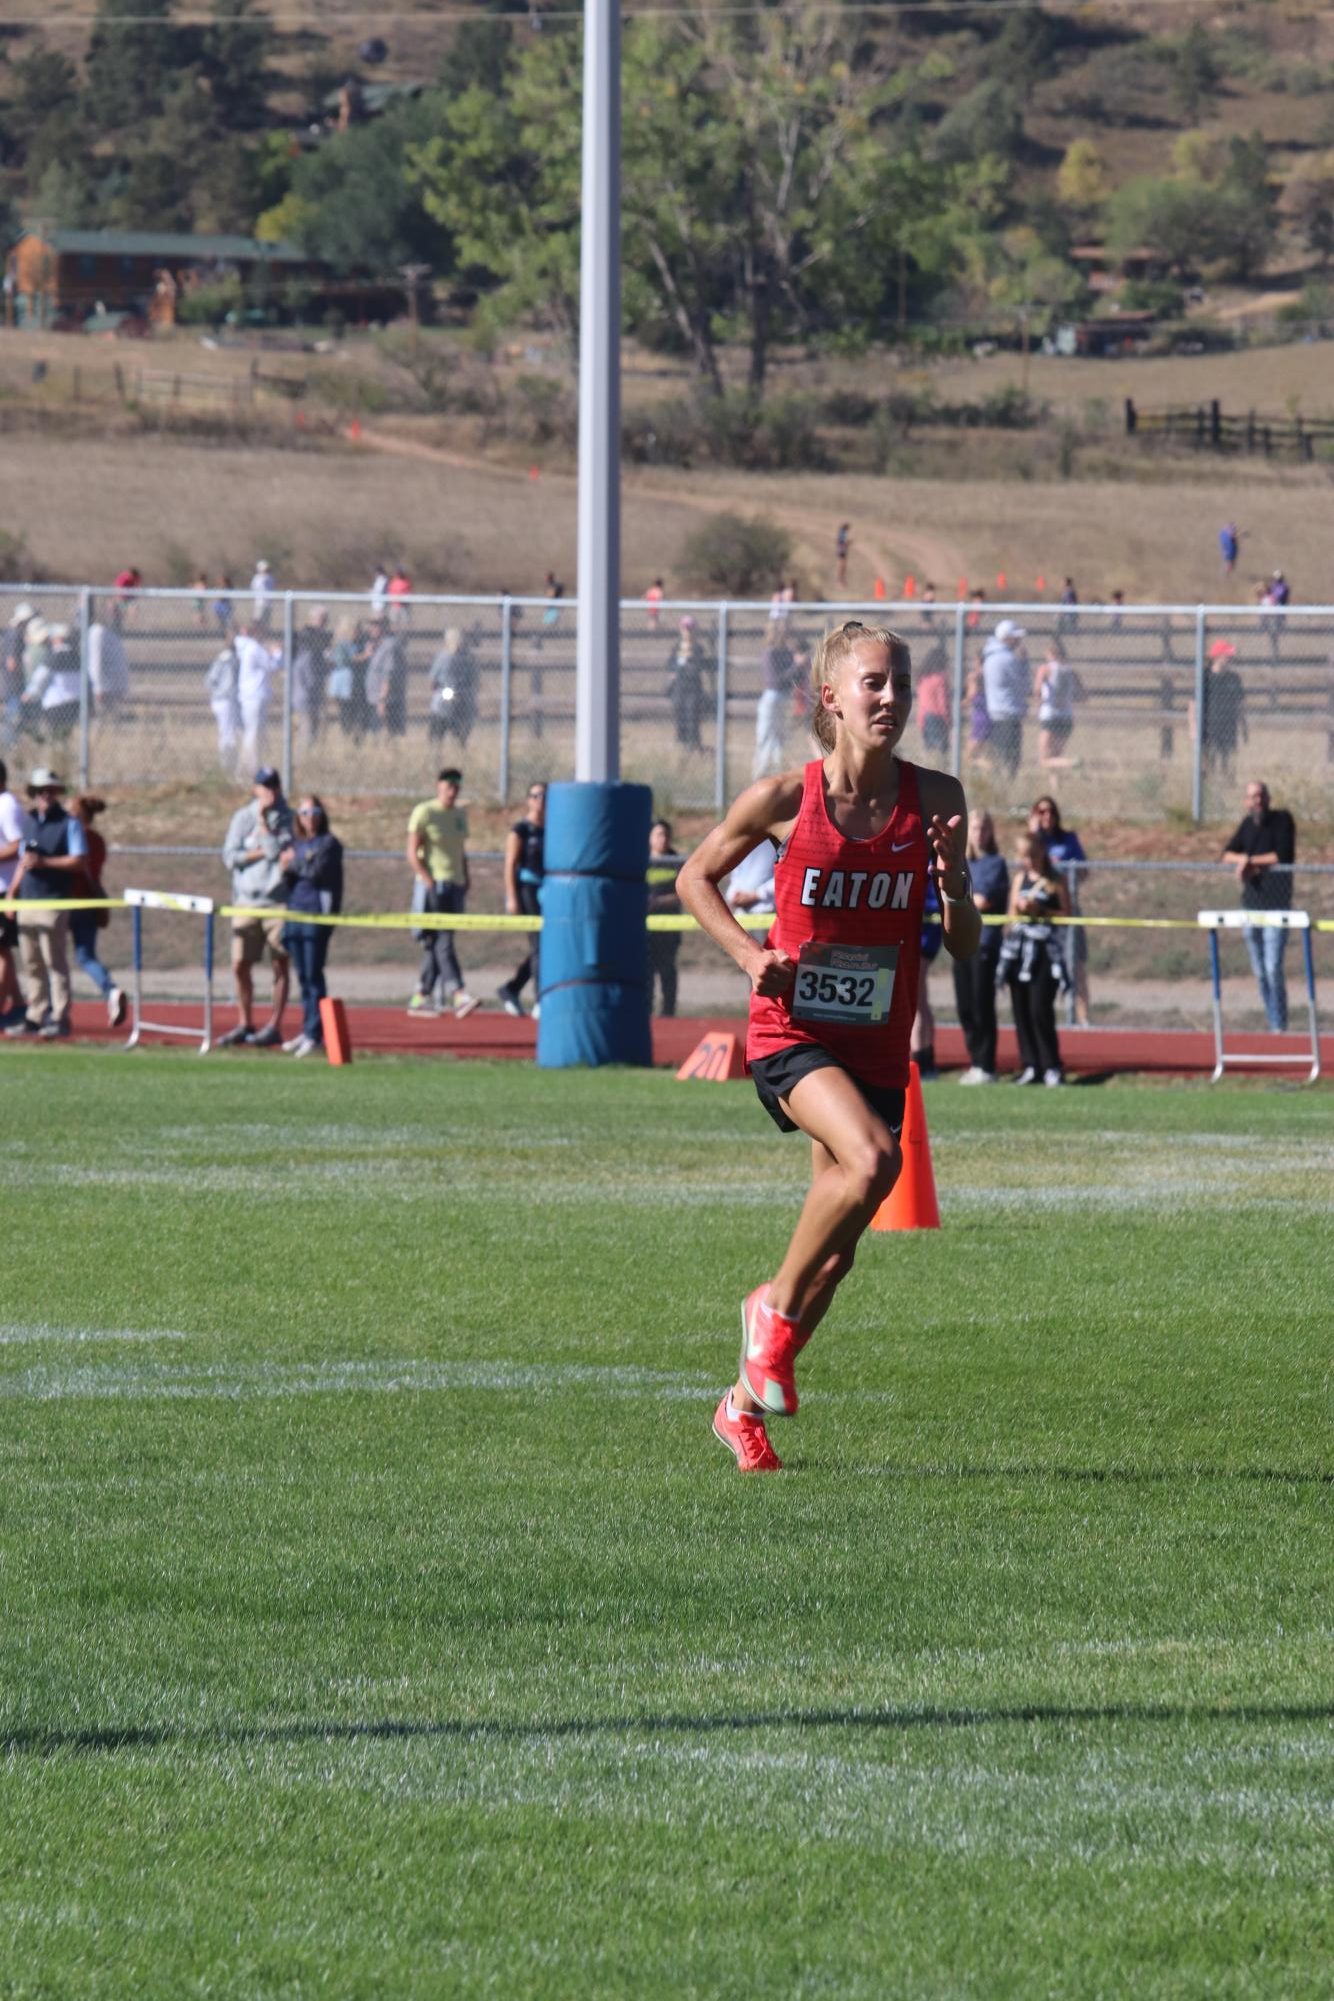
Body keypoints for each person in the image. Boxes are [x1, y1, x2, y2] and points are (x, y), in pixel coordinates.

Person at [676, 619, 978, 1474]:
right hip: (794, 1029)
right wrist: (748, 954)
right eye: (873, 683)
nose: (890, 697)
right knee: (876, 1157)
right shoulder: (782, 800)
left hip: (877, 1041)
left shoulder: (938, 798)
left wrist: (952, 878)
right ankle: (766, 1318)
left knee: (839, 1256)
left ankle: (739, 1405)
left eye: (901, 682)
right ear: (832, 697)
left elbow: (964, 945)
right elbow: (693, 876)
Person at [2, 766, 86, 1041]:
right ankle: (36, 1015)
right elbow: (23, 862)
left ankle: (60, 1017)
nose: (45, 796)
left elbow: (78, 860)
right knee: (32, 963)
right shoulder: (29, 822)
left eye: (50, 791)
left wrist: (46, 862)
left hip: (53, 901)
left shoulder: (68, 823)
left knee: (55, 962)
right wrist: (13, 894)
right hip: (29, 900)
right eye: (40, 791)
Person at [219, 767, 293, 1049]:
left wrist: (267, 831)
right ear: (255, 789)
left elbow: (282, 853)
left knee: (280, 963)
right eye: (265, 785)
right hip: (247, 901)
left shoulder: (290, 818)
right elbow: (230, 856)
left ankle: (274, 1024)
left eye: (274, 785)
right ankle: (244, 1022)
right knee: (240, 964)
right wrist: (263, 847)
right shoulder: (243, 817)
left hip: (278, 901)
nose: (270, 790)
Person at [1222, 780, 1296, 1034]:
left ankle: (1280, 1024)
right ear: (1246, 801)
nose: (1258, 801)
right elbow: (1226, 854)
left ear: (1268, 797)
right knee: (1259, 971)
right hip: (1251, 907)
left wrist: (1252, 861)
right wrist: (1242, 860)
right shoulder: (1246, 825)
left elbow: (1282, 855)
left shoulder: (1282, 820)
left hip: (1276, 906)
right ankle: (1272, 1018)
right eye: (1253, 797)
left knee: (1273, 967)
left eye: (1261, 795)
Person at [407, 767, 479, 1019]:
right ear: (438, 786)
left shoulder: (459, 815)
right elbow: (412, 851)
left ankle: (420, 996)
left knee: (435, 945)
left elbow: (460, 850)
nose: (453, 790)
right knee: (443, 940)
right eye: (448, 785)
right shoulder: (425, 812)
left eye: (457, 786)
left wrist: (466, 877)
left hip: (455, 884)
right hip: (434, 885)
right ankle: (458, 993)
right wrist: (427, 879)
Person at [999, 829, 1070, 1086]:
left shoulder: (1055, 880)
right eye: (1024, 856)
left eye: (1033, 855)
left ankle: (1052, 1065)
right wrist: (1019, 911)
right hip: (1019, 951)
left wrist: (1041, 910)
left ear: (1041, 853)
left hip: (1044, 953)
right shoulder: (1019, 879)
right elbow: (1010, 916)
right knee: (1021, 1009)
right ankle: (1031, 1064)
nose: (1029, 861)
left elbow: (1066, 914)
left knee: (1041, 1009)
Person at [279, 795, 344, 1057]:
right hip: (294, 913)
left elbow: (316, 871)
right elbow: (287, 875)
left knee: (314, 976)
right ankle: (308, 1030)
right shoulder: (296, 842)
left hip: (315, 915)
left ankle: (316, 1034)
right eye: (304, 812)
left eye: (314, 811)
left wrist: (294, 863)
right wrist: (289, 865)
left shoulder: (329, 844)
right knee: (303, 978)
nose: (310, 817)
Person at [953, 808, 1008, 1083]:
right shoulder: (962, 862)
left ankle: (987, 1064)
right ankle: (975, 1061)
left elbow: (983, 900)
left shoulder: (996, 863)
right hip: (961, 942)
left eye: (984, 828)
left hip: (984, 943)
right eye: (975, 828)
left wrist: (960, 901)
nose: (979, 833)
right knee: (964, 1005)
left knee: (981, 1003)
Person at [1030, 795, 1089, 1025]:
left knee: (1076, 964)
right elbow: (1024, 866)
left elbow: (1083, 871)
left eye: (1051, 812)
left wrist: (1064, 877)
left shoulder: (1068, 840)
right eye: (1041, 812)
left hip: (1066, 909)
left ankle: (1082, 1016)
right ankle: (1045, 1017)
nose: (1047, 817)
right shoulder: (1034, 842)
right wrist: (1033, 834)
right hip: (1040, 913)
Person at [68, 794, 126, 1027]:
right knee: (86, 956)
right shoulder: (98, 840)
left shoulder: (74, 837)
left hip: (70, 902)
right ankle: (110, 990)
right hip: (89, 902)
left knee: (53, 958)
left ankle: (51, 1008)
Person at [498, 781, 546, 1017]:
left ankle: (511, 988)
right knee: (539, 945)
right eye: (536, 796)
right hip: (528, 888)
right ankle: (539, 999)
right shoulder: (521, 830)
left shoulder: (552, 828)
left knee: (545, 946)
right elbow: (510, 865)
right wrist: (512, 896)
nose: (541, 801)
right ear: (529, 799)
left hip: (547, 892)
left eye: (545, 796)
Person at [981, 619, 1031, 778]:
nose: (1018, 640)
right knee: (1011, 757)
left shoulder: (991, 655)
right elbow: (1025, 685)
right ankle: (1006, 783)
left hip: (996, 712)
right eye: (1015, 637)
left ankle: (999, 783)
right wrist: (1024, 663)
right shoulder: (1008, 659)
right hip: (1009, 713)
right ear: (1007, 638)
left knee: (999, 754)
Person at [1192, 639, 1247, 778]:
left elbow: (1240, 705)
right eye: (1226, 655)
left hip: (1228, 727)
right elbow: (1193, 704)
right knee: (1208, 760)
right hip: (1209, 727)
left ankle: (1226, 783)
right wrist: (1193, 728)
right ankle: (1208, 784)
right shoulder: (1205, 677)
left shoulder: (1234, 678)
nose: (1230, 658)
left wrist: (1244, 727)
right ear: (1217, 656)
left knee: (1227, 760)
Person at [0, 758, 27, 1026]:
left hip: (5, 890)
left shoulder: (7, 805)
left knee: (2, 951)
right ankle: (18, 1004)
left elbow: (18, 846)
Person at [646, 818, 682, 1017]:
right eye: (659, 834)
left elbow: (682, 893)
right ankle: (646, 1012)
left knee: (667, 972)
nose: (663, 839)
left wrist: (659, 902)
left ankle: (668, 1014)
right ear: (650, 838)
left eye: (666, 835)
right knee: (646, 975)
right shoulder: (641, 860)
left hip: (669, 930)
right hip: (645, 931)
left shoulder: (675, 860)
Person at [234, 622, 281, 774]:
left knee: (254, 732)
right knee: (253, 732)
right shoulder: (254, 648)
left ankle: (249, 765)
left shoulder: (249, 648)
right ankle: (249, 767)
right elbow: (272, 666)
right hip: (254, 696)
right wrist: (277, 653)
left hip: (252, 696)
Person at [1036, 638, 1084, 770]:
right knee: (1056, 757)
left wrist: (1039, 702)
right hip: (1067, 717)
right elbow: (1082, 696)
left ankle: (1073, 763)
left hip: (1050, 715)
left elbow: (1037, 690)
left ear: (1050, 653)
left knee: (1044, 760)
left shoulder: (1044, 669)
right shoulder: (1071, 671)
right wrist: (1066, 697)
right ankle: (1056, 789)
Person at [753, 631, 796, 778]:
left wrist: (796, 663)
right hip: (773, 696)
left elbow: (794, 678)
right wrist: (795, 665)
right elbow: (775, 680)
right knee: (765, 734)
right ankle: (760, 772)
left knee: (779, 737)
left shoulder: (787, 654)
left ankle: (778, 772)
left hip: (784, 697)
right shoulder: (770, 653)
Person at [429, 626, 479, 747]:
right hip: (464, 702)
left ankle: (436, 755)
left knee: (436, 738)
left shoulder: (442, 657)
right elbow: (474, 681)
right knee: (460, 739)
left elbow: (432, 682)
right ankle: (460, 752)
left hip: (443, 701)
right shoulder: (469, 658)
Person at [667, 616, 710, 751]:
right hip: (679, 689)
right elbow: (670, 666)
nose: (687, 631)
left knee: (692, 718)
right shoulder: (676, 648)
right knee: (679, 717)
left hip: (693, 690)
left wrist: (689, 658)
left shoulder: (698, 649)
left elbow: (697, 668)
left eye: (690, 628)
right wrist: (680, 664)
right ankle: (681, 745)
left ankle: (693, 746)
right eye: (685, 628)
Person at [292, 606, 330, 745]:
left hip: (314, 692)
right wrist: (312, 685)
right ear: (312, 619)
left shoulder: (321, 638)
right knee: (306, 730)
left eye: (325, 620)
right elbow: (305, 666)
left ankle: (310, 758)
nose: (324, 623)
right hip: (305, 692)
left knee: (314, 728)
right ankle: (303, 761)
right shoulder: (307, 637)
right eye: (321, 619)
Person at [87, 603, 130, 723]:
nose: (116, 616)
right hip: (105, 687)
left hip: (114, 686)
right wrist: (98, 687)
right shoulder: (97, 633)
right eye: (112, 613)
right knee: (102, 721)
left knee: (114, 722)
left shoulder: (109, 632)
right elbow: (95, 661)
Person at [206, 635, 240, 774]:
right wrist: (222, 691)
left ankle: (228, 763)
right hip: (225, 700)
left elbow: (210, 680)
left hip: (221, 699)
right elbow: (210, 680)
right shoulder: (228, 660)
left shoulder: (223, 659)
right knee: (228, 733)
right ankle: (227, 764)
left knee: (227, 731)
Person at [249, 557, 275, 632]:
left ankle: (264, 634)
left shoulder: (270, 578)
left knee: (266, 622)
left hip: (268, 603)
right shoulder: (257, 578)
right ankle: (257, 634)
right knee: (257, 621)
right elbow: (253, 588)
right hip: (259, 603)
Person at [835, 522, 851, 589]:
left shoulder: (842, 532)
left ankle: (841, 581)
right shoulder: (842, 533)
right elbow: (841, 542)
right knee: (842, 566)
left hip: (841, 550)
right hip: (842, 551)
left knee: (842, 566)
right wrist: (848, 543)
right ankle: (840, 581)